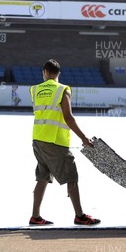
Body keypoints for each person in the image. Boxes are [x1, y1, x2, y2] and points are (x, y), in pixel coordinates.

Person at [28, 59, 100, 226]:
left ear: (44, 72)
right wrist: (83, 137)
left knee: (42, 177)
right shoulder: (62, 90)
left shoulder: (35, 89)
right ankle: (80, 216)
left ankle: (35, 216)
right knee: (71, 176)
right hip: (55, 141)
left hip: (38, 139)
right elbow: (68, 117)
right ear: (58, 74)